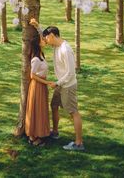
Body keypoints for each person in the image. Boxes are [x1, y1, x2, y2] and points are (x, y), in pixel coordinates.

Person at [30, 19, 85, 151]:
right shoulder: (56, 45)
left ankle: (79, 143)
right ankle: (55, 132)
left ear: (52, 36)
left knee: (73, 112)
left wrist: (57, 83)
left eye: (46, 38)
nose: (45, 41)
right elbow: (44, 35)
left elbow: (71, 73)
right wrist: (38, 26)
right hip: (61, 84)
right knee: (54, 105)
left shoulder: (66, 50)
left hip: (68, 85)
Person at [25, 34, 51, 146]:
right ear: (38, 44)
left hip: (41, 85)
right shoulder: (35, 59)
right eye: (42, 40)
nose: (44, 40)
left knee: (40, 109)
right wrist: (47, 83)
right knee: (35, 110)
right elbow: (32, 75)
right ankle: (32, 137)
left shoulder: (41, 55)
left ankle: (38, 134)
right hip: (37, 85)